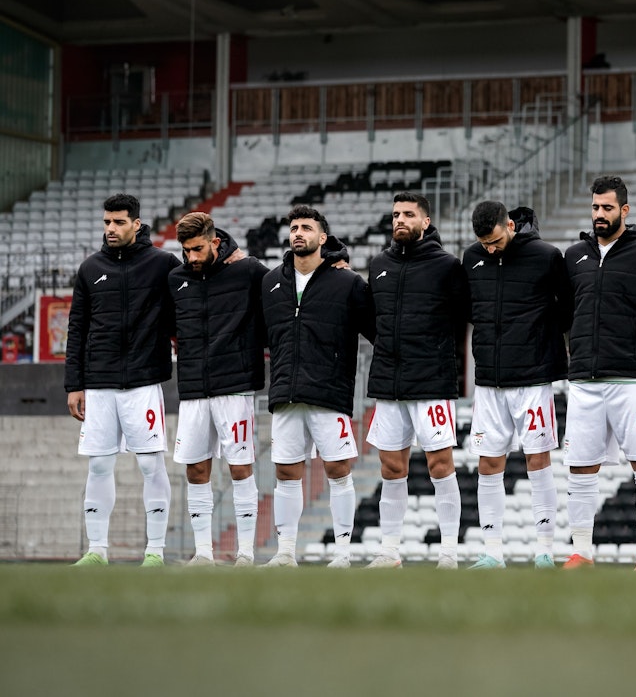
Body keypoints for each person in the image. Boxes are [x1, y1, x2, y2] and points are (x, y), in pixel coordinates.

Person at [562, 175, 636, 570]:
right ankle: (581, 551)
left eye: (607, 208)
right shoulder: (574, 255)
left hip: (632, 375)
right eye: (595, 207)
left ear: (624, 210)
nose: (599, 214)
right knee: (580, 465)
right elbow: (567, 311)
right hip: (584, 378)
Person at [66, 193, 181, 567]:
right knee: (99, 466)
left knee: (150, 465)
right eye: (106, 222)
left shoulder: (163, 264)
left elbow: (189, 304)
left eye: (118, 222)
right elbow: (77, 328)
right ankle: (97, 550)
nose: (111, 229)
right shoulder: (90, 268)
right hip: (98, 384)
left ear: (136, 223)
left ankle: (155, 551)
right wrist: (74, 384)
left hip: (144, 383)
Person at [260, 205, 374, 568]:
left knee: (338, 470)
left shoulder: (348, 283)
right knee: (285, 473)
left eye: (306, 228)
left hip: (329, 392)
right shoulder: (271, 282)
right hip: (286, 392)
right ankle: (285, 553)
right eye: (294, 227)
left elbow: (376, 331)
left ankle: (343, 554)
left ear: (322, 237)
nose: (298, 233)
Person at [464, 201, 572, 569]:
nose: (490, 249)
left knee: (538, 459)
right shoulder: (471, 258)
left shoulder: (546, 256)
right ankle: (492, 552)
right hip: (489, 379)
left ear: (510, 225)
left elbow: (567, 308)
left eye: (495, 241)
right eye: (484, 243)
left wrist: (537, 337)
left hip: (532, 377)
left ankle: (544, 550)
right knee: (488, 462)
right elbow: (470, 308)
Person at [364, 193, 469, 570]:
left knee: (440, 464)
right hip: (389, 382)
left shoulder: (447, 265)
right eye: (396, 214)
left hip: (432, 381)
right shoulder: (378, 264)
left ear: (426, 221)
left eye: (409, 214)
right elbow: (372, 320)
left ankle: (449, 553)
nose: (400, 220)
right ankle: (389, 552)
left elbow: (463, 317)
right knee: (391, 468)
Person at [170, 212, 268, 567]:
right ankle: (203, 554)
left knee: (240, 469)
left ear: (215, 242)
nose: (191, 257)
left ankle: (245, 554)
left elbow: (284, 290)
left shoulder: (248, 271)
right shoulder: (176, 279)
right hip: (193, 388)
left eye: (198, 249)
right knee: (195, 471)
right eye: (186, 250)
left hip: (235, 386)